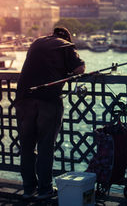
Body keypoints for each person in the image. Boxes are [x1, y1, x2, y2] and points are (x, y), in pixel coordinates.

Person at [15, 27, 85, 200]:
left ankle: (28, 189)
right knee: (45, 146)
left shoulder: (37, 42)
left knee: (27, 147)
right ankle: (45, 190)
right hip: (47, 100)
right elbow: (80, 69)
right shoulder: (66, 45)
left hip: (24, 98)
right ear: (68, 38)